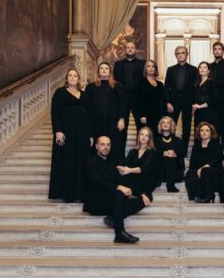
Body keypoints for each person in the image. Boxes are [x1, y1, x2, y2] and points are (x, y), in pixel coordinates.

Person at [83, 136, 150, 243]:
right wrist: (118, 187)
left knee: (144, 199)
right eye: (102, 144)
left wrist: (141, 194)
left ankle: (113, 217)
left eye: (108, 145)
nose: (106, 147)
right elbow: (98, 181)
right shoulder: (90, 162)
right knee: (119, 193)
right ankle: (119, 233)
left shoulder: (112, 164)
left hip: (112, 203)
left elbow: (124, 182)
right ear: (96, 146)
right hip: (96, 203)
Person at [49, 68, 93, 202]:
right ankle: (66, 193)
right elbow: (55, 112)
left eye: (75, 76)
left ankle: (80, 193)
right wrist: (58, 131)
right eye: (70, 75)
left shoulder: (84, 94)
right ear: (66, 79)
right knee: (67, 161)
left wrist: (91, 135)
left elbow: (89, 115)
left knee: (81, 161)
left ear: (79, 79)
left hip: (82, 134)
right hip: (66, 133)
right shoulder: (60, 92)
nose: (73, 77)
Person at [85, 62, 127, 162]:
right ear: (98, 71)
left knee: (113, 147)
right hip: (96, 122)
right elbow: (86, 105)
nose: (104, 70)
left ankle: (113, 172)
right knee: (96, 147)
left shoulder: (117, 86)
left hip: (113, 122)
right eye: (101, 68)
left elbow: (123, 104)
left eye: (106, 68)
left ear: (110, 71)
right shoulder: (90, 87)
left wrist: (122, 119)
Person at [164, 46, 197, 156]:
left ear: (187, 54)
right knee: (171, 126)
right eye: (178, 53)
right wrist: (167, 102)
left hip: (188, 101)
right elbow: (166, 87)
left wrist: (194, 105)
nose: (181, 55)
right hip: (173, 102)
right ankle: (171, 148)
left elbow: (195, 88)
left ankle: (183, 151)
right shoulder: (170, 69)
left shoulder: (194, 69)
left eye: (183, 53)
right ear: (175, 55)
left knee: (187, 127)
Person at [185, 122, 224, 203]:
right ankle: (197, 195)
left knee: (205, 170)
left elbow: (220, 157)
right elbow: (192, 164)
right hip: (200, 171)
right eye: (202, 130)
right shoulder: (196, 146)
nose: (204, 132)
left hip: (214, 172)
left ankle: (208, 196)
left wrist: (205, 167)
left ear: (211, 133)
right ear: (199, 133)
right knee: (190, 173)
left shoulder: (216, 144)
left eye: (207, 130)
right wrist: (197, 171)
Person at [118, 126, 158, 200]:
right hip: (134, 177)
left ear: (149, 139)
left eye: (146, 136)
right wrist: (119, 167)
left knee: (126, 174)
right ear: (138, 136)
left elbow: (144, 169)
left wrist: (129, 170)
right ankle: (138, 193)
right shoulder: (133, 151)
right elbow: (125, 163)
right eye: (142, 134)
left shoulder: (152, 151)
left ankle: (140, 193)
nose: (143, 137)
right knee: (121, 170)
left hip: (146, 179)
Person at [113, 42, 145, 128]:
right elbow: (115, 81)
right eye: (128, 47)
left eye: (132, 47)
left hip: (138, 98)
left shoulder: (143, 64)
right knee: (122, 126)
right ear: (125, 50)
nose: (130, 49)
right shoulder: (118, 64)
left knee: (141, 125)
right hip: (123, 98)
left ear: (135, 50)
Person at [209, 42, 224, 147]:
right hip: (212, 100)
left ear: (223, 51)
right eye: (215, 49)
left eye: (219, 49)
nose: (217, 51)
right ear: (213, 51)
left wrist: (214, 83)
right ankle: (214, 146)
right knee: (213, 124)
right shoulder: (209, 66)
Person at [154, 116, 184, 192]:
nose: (165, 124)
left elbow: (182, 152)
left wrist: (175, 154)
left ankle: (170, 185)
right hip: (161, 172)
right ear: (160, 126)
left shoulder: (177, 140)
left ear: (171, 125)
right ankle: (170, 185)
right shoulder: (156, 140)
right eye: (163, 123)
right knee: (167, 157)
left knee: (170, 158)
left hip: (175, 173)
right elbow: (153, 153)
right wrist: (163, 153)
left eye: (168, 123)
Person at [138, 60, 167, 137]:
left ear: (155, 69)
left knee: (158, 136)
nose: (151, 68)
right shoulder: (141, 82)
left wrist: (164, 116)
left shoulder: (160, 84)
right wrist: (142, 115)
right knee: (148, 136)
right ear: (145, 69)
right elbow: (139, 101)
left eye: (153, 66)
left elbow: (163, 101)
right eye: (148, 66)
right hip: (147, 115)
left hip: (159, 114)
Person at [192, 61, 219, 130]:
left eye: (205, 67)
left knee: (209, 132)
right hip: (198, 113)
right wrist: (194, 108)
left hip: (209, 112)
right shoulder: (197, 83)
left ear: (208, 71)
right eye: (200, 67)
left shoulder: (212, 82)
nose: (202, 69)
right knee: (198, 134)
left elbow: (214, 99)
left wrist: (200, 106)